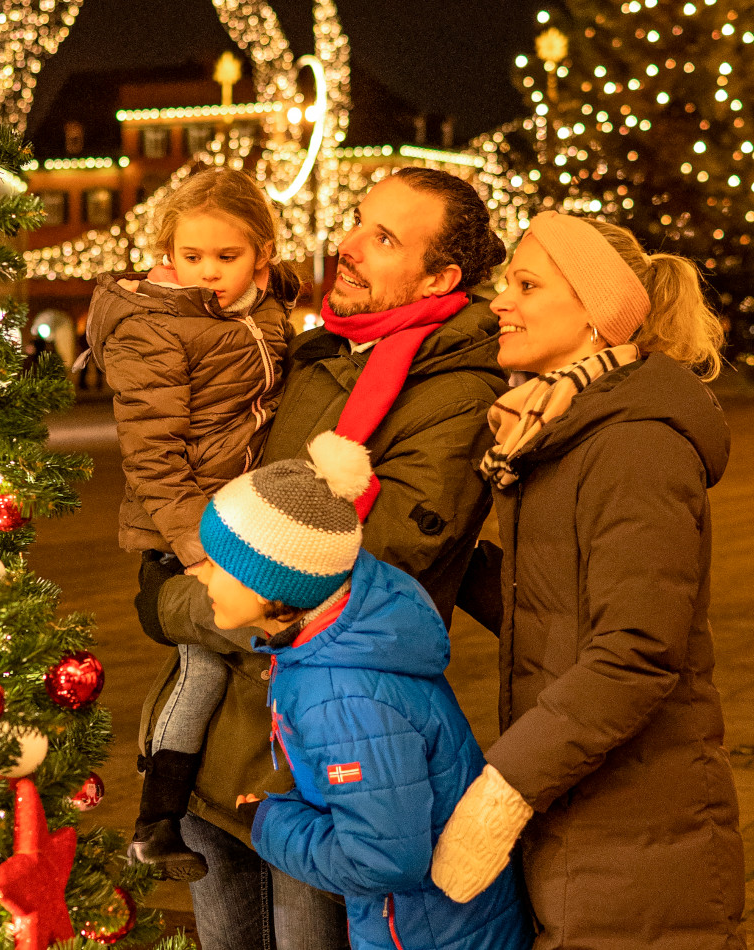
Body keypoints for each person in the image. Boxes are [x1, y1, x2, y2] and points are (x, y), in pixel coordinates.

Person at [139, 166, 510, 949]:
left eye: (384, 238)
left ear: (441, 276)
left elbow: (347, 573)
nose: (348, 247)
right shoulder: (322, 350)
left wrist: (174, 603)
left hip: (314, 759)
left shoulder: (455, 390)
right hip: (224, 740)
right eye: (357, 221)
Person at [430, 211, 745, 949]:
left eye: (528, 284)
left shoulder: (634, 446)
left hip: (640, 831)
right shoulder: (560, 433)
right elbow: (559, 607)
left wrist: (501, 794)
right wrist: (440, 555)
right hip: (590, 814)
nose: (500, 301)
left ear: (597, 316)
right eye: (506, 281)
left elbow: (634, 653)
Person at [191, 429, 533, 950]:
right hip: (433, 923)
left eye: (218, 564)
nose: (201, 575)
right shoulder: (337, 638)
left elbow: (382, 859)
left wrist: (270, 821)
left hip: (424, 933)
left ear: (274, 590)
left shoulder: (344, 699)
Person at [81, 166, 297, 880]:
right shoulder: (158, 328)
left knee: (230, 667)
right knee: (206, 664)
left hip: (243, 520)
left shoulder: (259, 309)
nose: (206, 274)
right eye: (190, 257)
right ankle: (157, 816)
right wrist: (199, 554)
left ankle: (235, 798)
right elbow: (154, 458)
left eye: (226, 257)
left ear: (262, 254)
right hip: (189, 532)